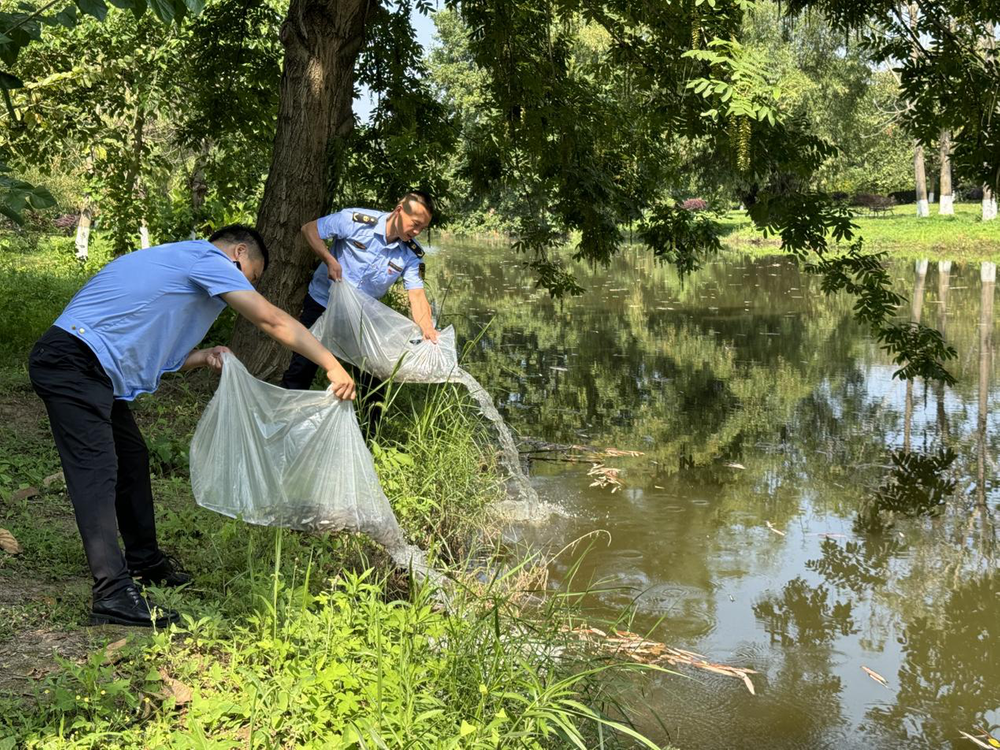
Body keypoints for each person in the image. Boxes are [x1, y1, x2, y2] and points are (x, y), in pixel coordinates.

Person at [28, 225, 356, 628]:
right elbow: (269, 319)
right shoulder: (209, 259)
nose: (244, 286)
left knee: (131, 458)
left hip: (90, 366)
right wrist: (331, 364)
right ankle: (111, 593)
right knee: (96, 470)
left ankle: (146, 564)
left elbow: (155, 355)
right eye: (249, 277)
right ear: (237, 253)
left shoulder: (181, 265)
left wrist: (203, 356)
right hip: (73, 360)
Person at [279, 192, 439, 409]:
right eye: (415, 224)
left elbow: (417, 294)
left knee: (373, 376)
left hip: (362, 316)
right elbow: (310, 229)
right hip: (323, 304)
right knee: (302, 367)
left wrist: (427, 328)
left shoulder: (411, 253)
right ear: (399, 210)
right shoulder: (355, 221)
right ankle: (284, 419)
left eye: (423, 228)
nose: (417, 232)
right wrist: (329, 260)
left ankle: (369, 437)